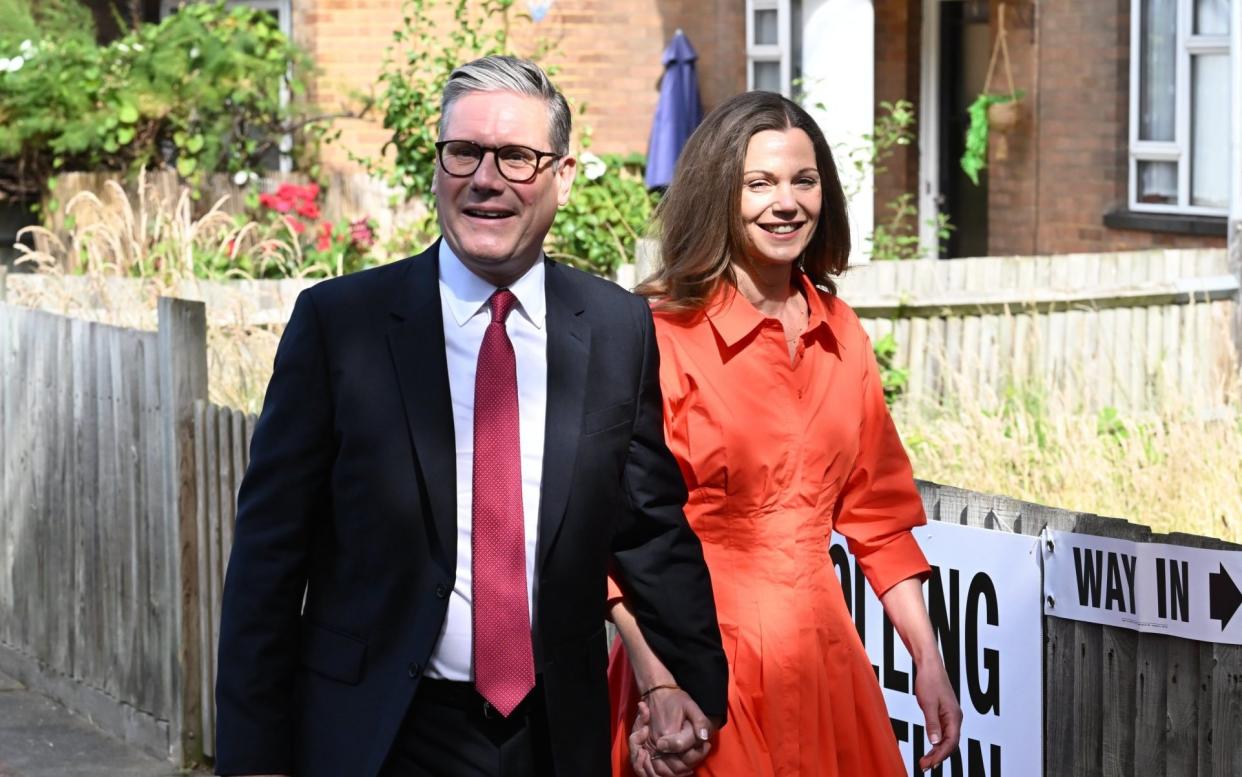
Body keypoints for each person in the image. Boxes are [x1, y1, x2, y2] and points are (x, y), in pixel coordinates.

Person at [213, 55, 728, 777]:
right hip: (380, 735)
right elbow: (269, 554)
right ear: (437, 166)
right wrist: (253, 757)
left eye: (516, 156)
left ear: (565, 175)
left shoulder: (615, 328)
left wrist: (691, 682)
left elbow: (649, 525)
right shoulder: (342, 325)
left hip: (553, 733)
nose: (486, 179)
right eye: (464, 152)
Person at [607, 91, 963, 777]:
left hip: (822, 657)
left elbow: (879, 518)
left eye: (804, 180)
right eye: (760, 182)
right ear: (719, 194)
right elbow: (610, 539)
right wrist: (660, 680)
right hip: (692, 658)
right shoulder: (658, 338)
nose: (787, 201)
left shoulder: (844, 335)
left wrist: (928, 657)